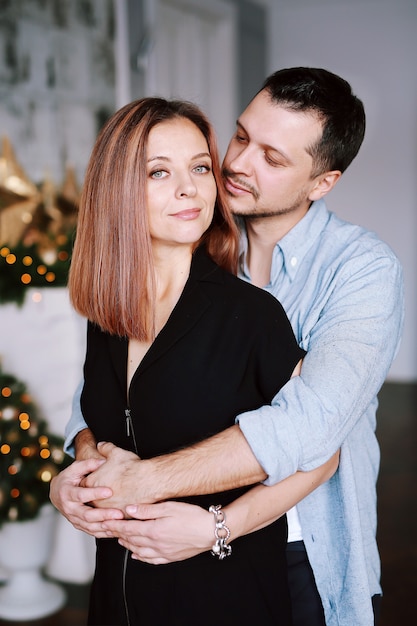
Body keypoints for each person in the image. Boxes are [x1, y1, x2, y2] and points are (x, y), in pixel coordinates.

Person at [51, 68, 404, 626]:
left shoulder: (361, 271)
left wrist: (193, 513)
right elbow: (108, 393)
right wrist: (83, 462)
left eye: (273, 158)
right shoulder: (188, 246)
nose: (236, 165)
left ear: (322, 182)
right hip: (155, 552)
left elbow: (312, 428)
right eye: (241, 137)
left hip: (302, 548)